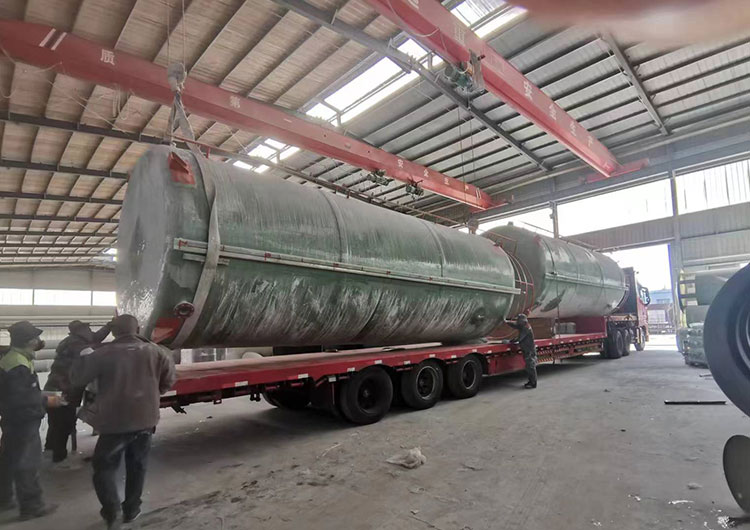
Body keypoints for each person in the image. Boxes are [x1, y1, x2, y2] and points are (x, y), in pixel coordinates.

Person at [71, 314, 176, 529]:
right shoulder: (157, 352)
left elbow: (77, 380)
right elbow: (168, 381)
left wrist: (82, 358)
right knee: (138, 465)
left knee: (104, 467)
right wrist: (151, 395)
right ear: (137, 329)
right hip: (145, 419)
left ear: (114, 331)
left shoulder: (101, 354)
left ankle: (112, 512)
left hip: (114, 422)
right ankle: (132, 509)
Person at [0, 321, 60, 520]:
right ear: (29, 340)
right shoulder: (18, 364)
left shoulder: (14, 358)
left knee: (10, 458)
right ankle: (31, 506)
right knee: (28, 462)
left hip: (12, 418)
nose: (38, 340)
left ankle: (4, 499)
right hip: (23, 420)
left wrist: (41, 396)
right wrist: (48, 400)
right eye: (36, 337)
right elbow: (22, 397)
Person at [44, 320, 111, 463]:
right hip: (63, 392)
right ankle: (58, 458)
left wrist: (108, 327)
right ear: (81, 332)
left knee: (55, 423)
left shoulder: (73, 340)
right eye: (88, 329)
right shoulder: (76, 345)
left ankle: (50, 452)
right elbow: (93, 353)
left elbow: (95, 338)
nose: (91, 332)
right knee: (63, 423)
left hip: (53, 389)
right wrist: (114, 347)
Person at [506, 314, 538, 389]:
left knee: (530, 366)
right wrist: (506, 322)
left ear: (522, 321)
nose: (518, 323)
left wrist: (511, 341)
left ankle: (533, 383)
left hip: (529, 350)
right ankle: (530, 381)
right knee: (528, 366)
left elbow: (520, 338)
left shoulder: (526, 328)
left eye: (519, 321)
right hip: (526, 349)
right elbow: (515, 325)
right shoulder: (523, 325)